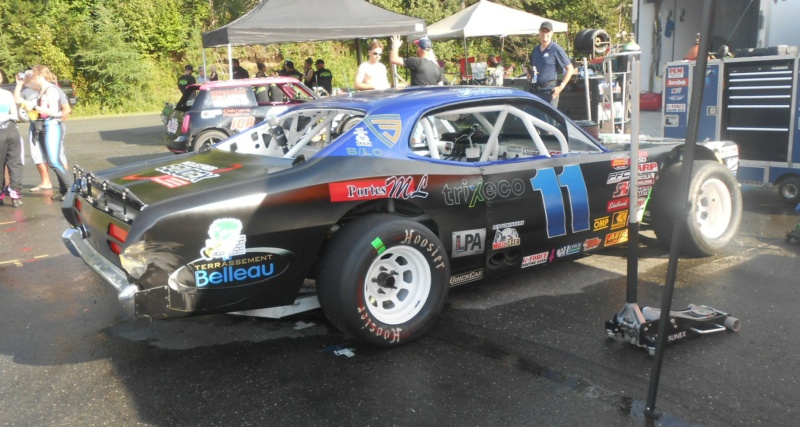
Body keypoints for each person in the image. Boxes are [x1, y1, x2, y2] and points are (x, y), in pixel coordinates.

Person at [22, 65, 72, 201]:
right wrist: (25, 76)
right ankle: (64, 190)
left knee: (54, 161)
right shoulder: (41, 88)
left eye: (34, 75)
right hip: (44, 126)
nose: (33, 78)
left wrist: (35, 106)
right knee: (53, 161)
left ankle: (72, 189)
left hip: (52, 126)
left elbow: (55, 112)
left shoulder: (51, 90)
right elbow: (25, 83)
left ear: (40, 75)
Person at [529, 21, 575, 107]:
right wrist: (530, 74)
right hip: (535, 92)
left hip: (549, 92)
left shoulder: (556, 49)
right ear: (539, 32)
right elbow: (533, 68)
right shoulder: (535, 50)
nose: (545, 33)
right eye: (543, 31)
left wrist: (561, 87)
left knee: (548, 120)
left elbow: (570, 69)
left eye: (547, 31)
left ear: (552, 33)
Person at [0, 70, 23, 208]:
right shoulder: (7, 94)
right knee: (14, 163)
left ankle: (1, 195)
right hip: (12, 129)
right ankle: (15, 195)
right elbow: (15, 115)